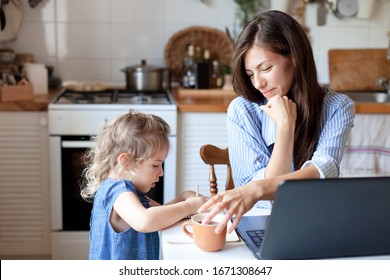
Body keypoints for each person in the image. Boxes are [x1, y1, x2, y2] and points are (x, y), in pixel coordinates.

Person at [198, 10, 354, 234]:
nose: (258, 83)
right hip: (261, 224)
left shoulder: (338, 106)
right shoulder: (243, 110)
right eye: (250, 74)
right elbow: (263, 202)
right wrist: (285, 128)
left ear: (295, 58)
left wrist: (257, 188)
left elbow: (324, 170)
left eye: (266, 68)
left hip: (314, 222)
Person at [81, 111, 207, 260]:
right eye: (155, 165)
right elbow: (146, 221)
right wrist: (188, 207)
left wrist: (183, 198)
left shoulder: (131, 191)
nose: (161, 172)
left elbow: (160, 216)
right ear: (126, 162)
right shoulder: (119, 193)